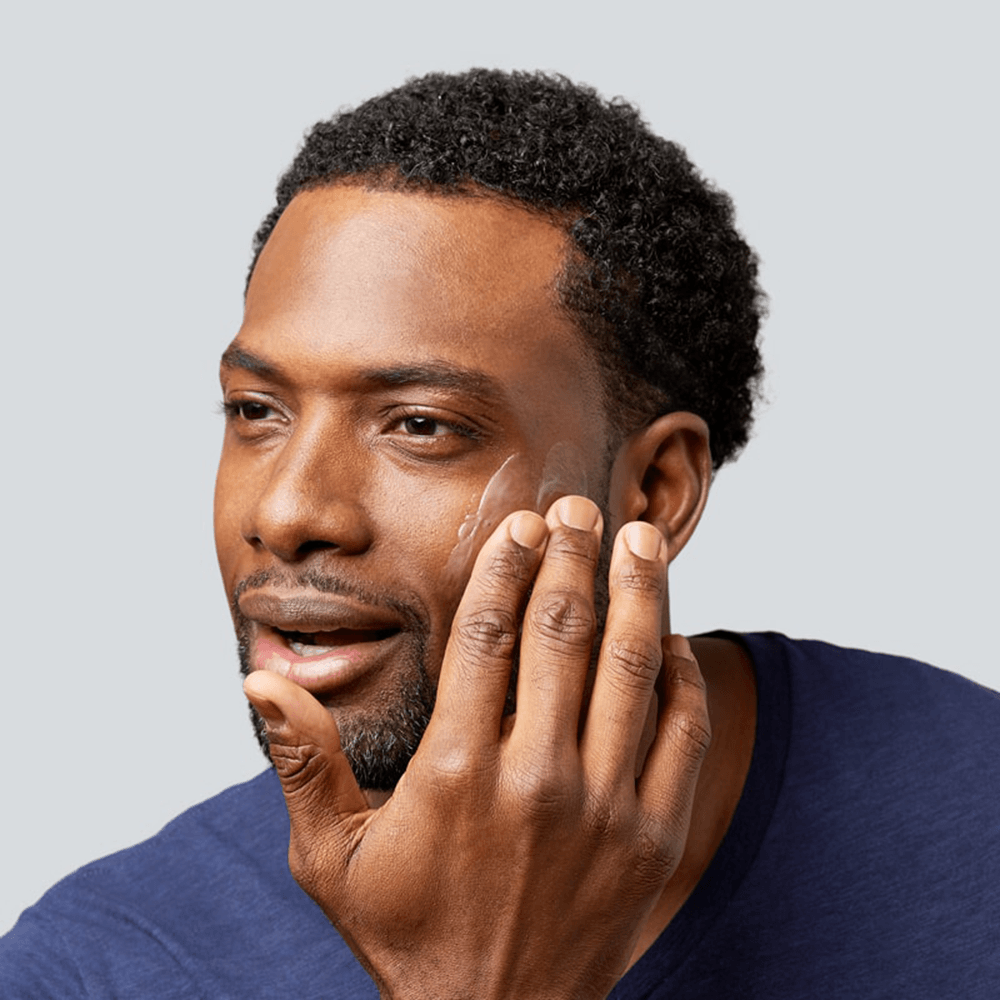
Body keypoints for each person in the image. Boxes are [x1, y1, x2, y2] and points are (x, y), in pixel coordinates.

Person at [2, 69, 998, 999]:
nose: (287, 512)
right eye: (257, 410)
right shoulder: (102, 964)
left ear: (653, 489)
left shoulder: (973, 815)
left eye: (421, 425)